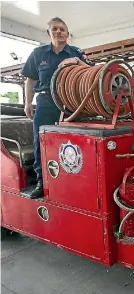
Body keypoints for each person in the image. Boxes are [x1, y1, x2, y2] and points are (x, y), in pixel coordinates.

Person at [21, 17, 93, 199]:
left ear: (68, 34)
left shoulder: (76, 52)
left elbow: (92, 72)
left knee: (72, 143)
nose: (59, 32)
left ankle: (71, 181)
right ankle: (41, 182)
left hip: (71, 105)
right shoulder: (38, 54)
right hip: (45, 104)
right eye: (55, 29)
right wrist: (28, 103)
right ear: (49, 33)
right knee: (41, 143)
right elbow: (30, 80)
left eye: (62, 29)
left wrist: (76, 61)